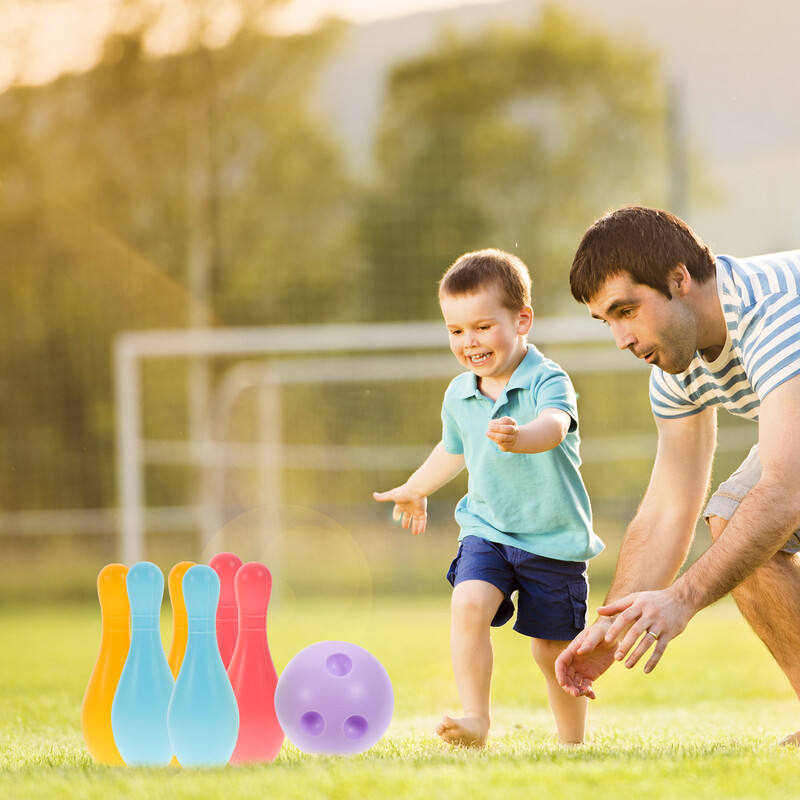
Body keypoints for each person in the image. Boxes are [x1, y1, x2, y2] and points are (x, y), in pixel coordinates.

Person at [555, 205, 800, 744]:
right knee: (736, 520)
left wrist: (683, 598)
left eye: (626, 310)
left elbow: (785, 491)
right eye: (607, 321)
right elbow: (667, 510)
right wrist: (612, 625)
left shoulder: (776, 311)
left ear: (679, 279)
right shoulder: (675, 364)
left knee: (755, 509)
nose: (621, 338)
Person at [373, 248, 604, 747]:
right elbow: (452, 448)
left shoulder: (548, 379)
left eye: (481, 327)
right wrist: (416, 488)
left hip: (553, 539)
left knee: (551, 651)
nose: (469, 342)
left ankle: (571, 741)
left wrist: (520, 436)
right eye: (456, 331)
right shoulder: (459, 393)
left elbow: (554, 426)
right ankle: (476, 717)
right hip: (488, 529)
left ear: (522, 320)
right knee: (469, 603)